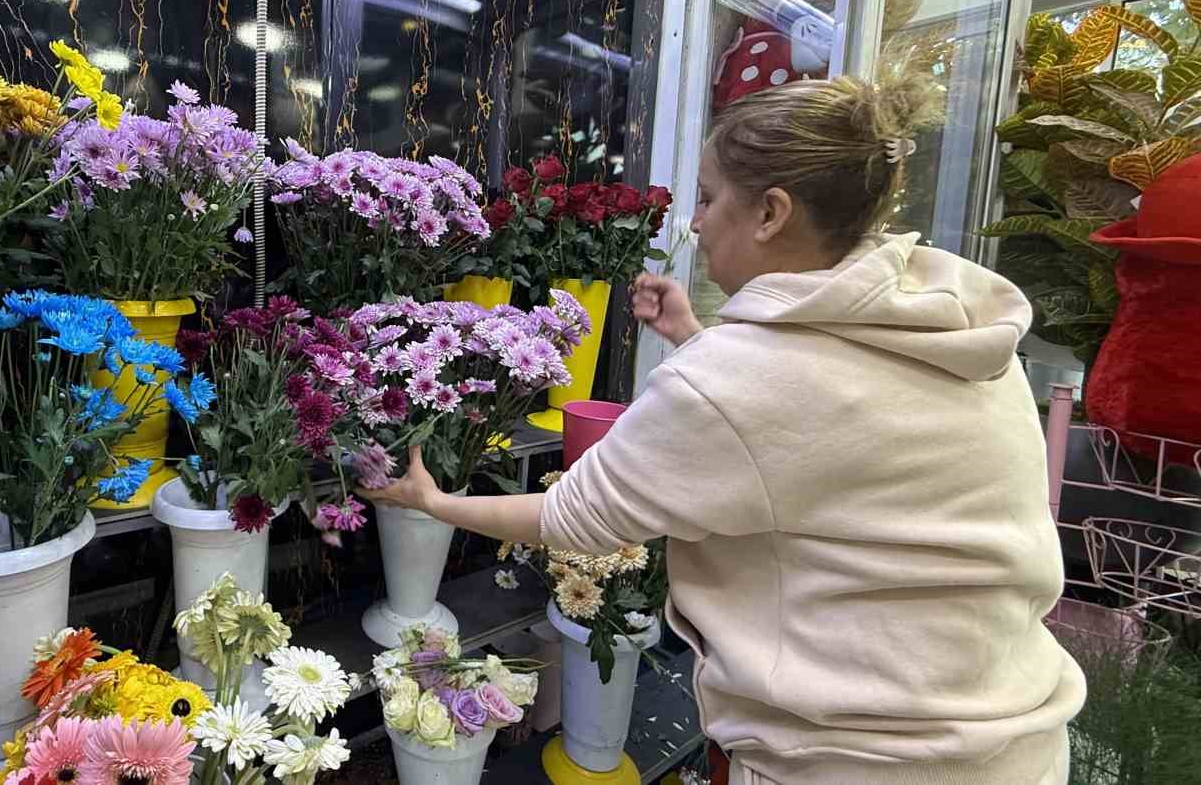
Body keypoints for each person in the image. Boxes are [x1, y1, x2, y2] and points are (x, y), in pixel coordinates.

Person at [360, 73, 1085, 785]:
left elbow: (573, 516)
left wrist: (432, 502)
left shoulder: (740, 380)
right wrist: (696, 337)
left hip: (851, 760)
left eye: (708, 198)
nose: (697, 222)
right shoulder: (950, 326)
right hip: (1015, 741)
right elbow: (817, 425)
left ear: (771, 213)